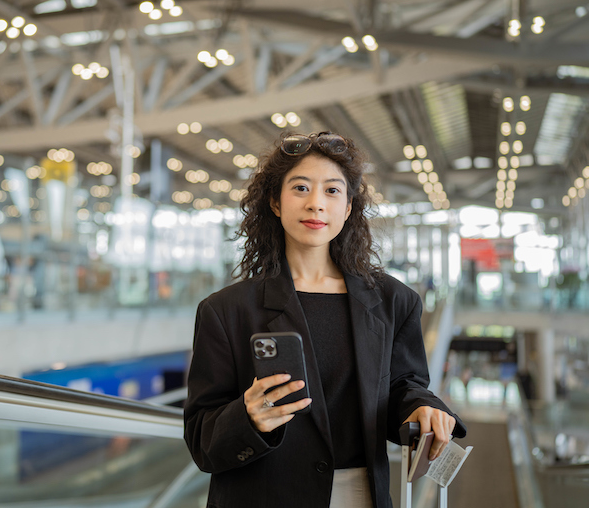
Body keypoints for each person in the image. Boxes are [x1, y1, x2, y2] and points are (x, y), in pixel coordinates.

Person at [183, 132, 466, 508]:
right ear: (275, 202)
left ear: (348, 208)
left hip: (360, 495)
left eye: (332, 191)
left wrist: (422, 407)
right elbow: (202, 437)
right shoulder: (226, 311)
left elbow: (402, 384)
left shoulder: (393, 301)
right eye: (300, 188)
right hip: (261, 495)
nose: (316, 204)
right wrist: (246, 418)